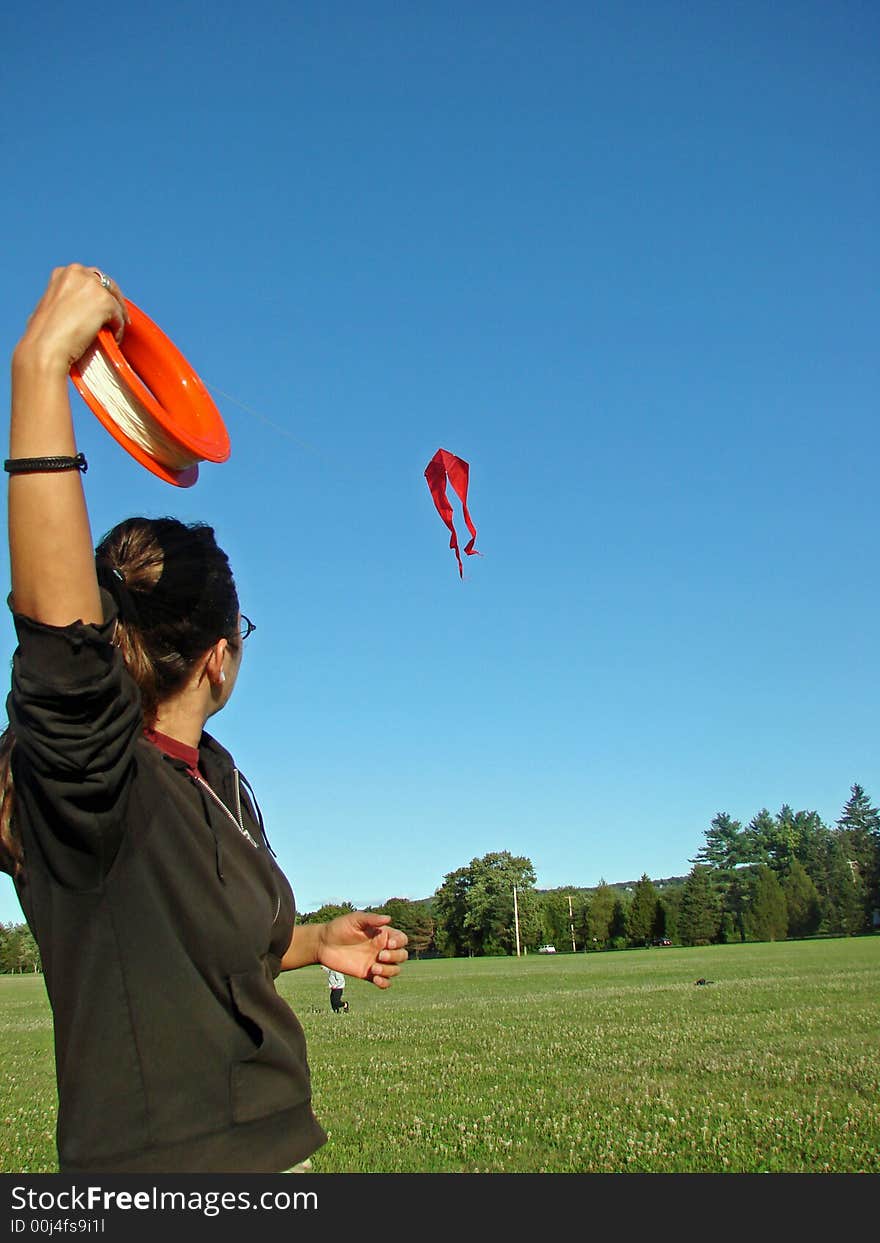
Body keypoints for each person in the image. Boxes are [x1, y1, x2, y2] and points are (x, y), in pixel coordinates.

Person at [0, 264, 408, 1174]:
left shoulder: (208, 773)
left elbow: (196, 956)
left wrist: (310, 944)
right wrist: (39, 368)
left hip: (279, 1151)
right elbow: (62, 651)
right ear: (221, 652)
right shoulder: (95, 786)